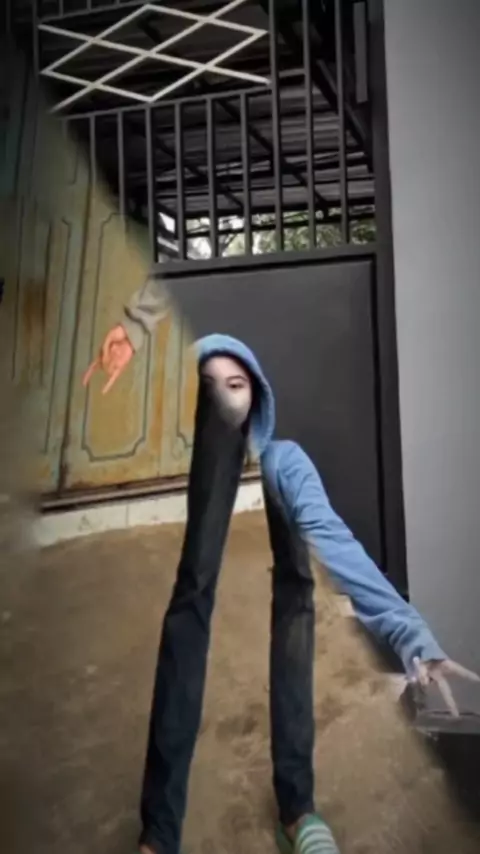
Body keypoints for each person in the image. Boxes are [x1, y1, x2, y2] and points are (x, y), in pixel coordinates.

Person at [83, 281, 479, 854]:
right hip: (206, 513)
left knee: (296, 609)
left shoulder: (283, 462)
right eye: (208, 386)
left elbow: (337, 544)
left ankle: (297, 812)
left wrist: (410, 633)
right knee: (189, 611)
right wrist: (134, 327)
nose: (225, 397)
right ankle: (159, 834)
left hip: (278, 535)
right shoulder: (196, 466)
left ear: (257, 395)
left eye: (236, 384)